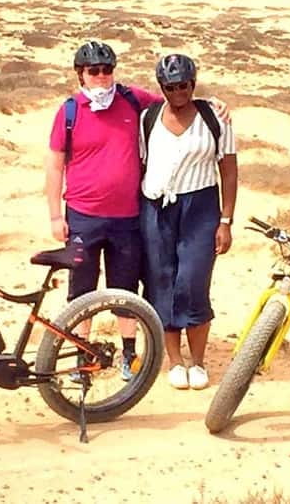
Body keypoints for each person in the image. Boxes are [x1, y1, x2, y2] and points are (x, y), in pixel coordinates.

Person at [45, 41, 228, 381]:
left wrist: (213, 103)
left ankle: (128, 354)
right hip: (82, 214)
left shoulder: (132, 101)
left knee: (125, 287)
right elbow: (55, 166)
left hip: (128, 216)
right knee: (82, 287)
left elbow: (176, 101)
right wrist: (56, 215)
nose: (101, 77)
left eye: (107, 69)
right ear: (80, 74)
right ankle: (82, 357)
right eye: (93, 71)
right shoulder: (68, 111)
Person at [139, 54, 238, 390]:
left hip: (200, 206)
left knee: (194, 281)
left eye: (183, 85)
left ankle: (198, 361)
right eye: (170, 87)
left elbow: (229, 170)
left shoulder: (215, 118)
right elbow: (142, 163)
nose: (177, 92)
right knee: (161, 280)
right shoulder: (147, 118)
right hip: (156, 207)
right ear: (161, 88)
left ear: (193, 84)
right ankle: (175, 361)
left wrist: (226, 220)